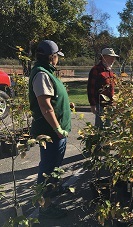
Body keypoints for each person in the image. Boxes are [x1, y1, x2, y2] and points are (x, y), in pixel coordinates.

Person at [29, 40, 71, 219]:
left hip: (55, 131)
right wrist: (58, 128)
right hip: (51, 132)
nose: (57, 60)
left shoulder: (47, 72)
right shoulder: (41, 74)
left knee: (53, 166)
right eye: (57, 57)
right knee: (48, 168)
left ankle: (53, 188)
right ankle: (46, 207)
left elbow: (52, 99)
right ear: (51, 57)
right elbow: (45, 107)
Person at [87, 48, 119, 128]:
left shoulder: (110, 71)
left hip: (110, 104)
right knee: (99, 128)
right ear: (104, 57)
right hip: (100, 105)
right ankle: (98, 140)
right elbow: (91, 88)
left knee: (109, 127)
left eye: (114, 57)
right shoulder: (96, 70)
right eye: (111, 57)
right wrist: (92, 104)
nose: (113, 59)